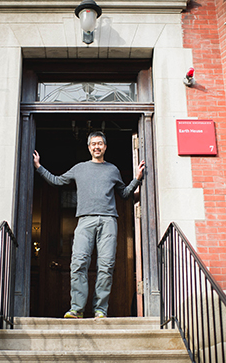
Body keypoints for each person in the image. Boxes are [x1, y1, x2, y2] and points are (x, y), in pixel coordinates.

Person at [33, 131, 145, 319]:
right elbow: (57, 181)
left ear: (105, 147)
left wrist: (137, 179)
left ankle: (100, 310)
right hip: (84, 220)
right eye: (93, 144)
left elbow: (124, 194)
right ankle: (76, 309)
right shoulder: (79, 168)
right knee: (78, 263)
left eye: (100, 143)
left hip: (109, 220)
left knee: (106, 265)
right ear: (89, 147)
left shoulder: (113, 170)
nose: (97, 146)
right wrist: (38, 167)